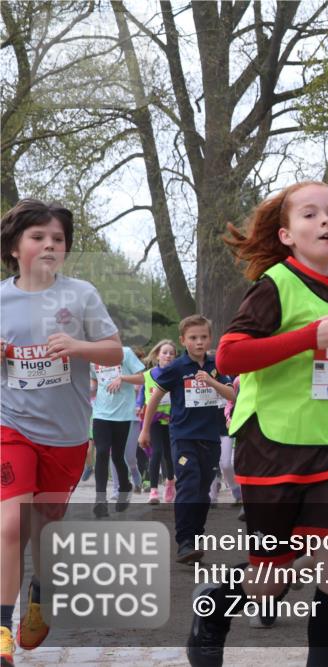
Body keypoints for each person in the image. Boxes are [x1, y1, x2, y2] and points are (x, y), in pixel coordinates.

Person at [182, 180, 328, 667]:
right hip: (270, 442)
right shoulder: (276, 284)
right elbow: (229, 354)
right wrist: (306, 337)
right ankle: (214, 608)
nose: (327, 221)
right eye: (311, 214)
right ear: (287, 234)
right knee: (271, 577)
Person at [1, 199, 123, 667]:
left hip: (67, 434)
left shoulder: (81, 295)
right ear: (15, 247)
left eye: (58, 239)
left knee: (45, 529)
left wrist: (78, 346)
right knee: (9, 523)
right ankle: (1, 631)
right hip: (10, 425)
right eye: (38, 237)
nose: (49, 245)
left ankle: (40, 592)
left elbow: (113, 352)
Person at [139, 315, 235, 563]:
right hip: (183, 437)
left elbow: (231, 394)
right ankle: (185, 541)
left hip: (211, 437)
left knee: (203, 491)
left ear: (210, 338)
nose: (199, 342)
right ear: (183, 340)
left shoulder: (216, 364)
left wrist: (211, 381)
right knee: (188, 485)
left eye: (203, 337)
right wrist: (145, 430)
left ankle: (196, 537)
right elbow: (155, 398)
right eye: (193, 338)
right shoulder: (176, 368)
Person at [90, 343, 146, 516]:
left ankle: (125, 487)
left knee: (117, 456)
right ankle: (100, 500)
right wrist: (90, 388)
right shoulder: (92, 356)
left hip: (122, 414)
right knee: (101, 452)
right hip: (100, 413)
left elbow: (143, 378)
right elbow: (94, 380)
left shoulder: (126, 353)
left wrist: (122, 378)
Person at [123, 340, 177, 503]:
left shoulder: (178, 375)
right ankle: (153, 491)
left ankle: (170, 481)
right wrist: (139, 405)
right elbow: (142, 395)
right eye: (164, 352)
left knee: (170, 455)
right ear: (157, 355)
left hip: (173, 420)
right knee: (156, 453)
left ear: (175, 357)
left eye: (171, 353)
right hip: (153, 420)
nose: (168, 356)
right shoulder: (148, 375)